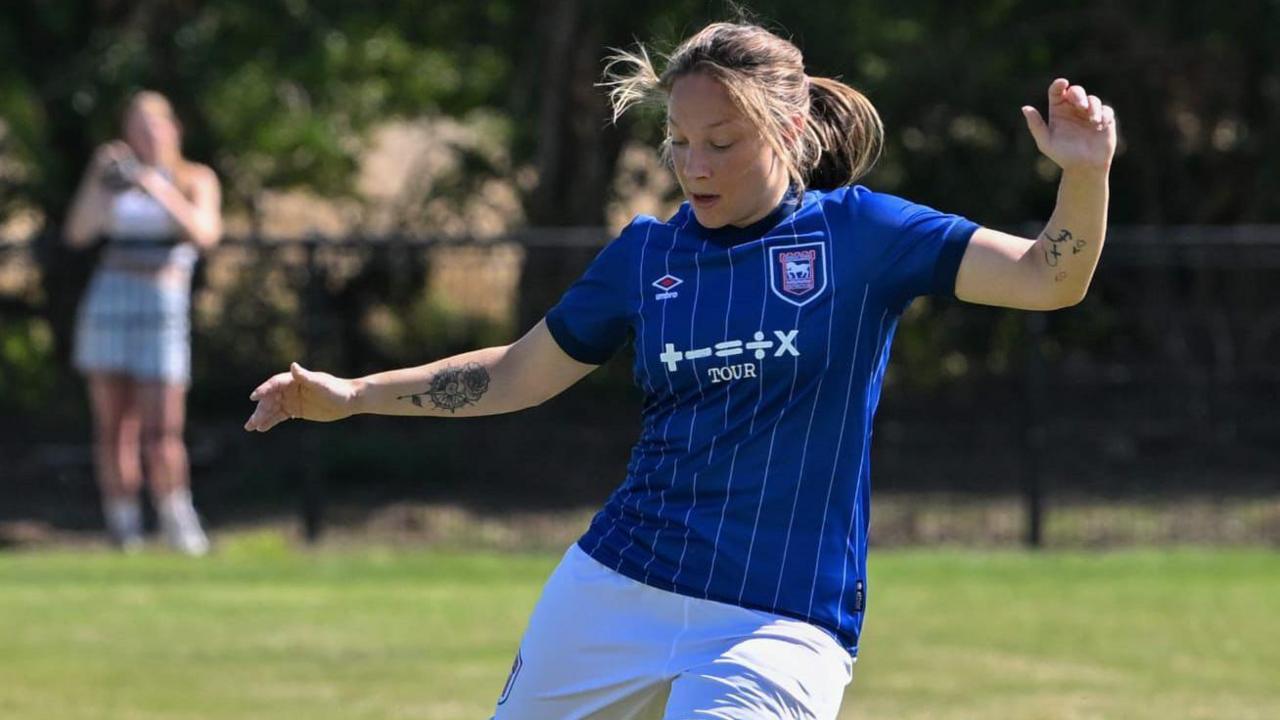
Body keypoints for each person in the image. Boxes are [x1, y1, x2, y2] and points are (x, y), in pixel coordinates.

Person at [245, 20, 1115, 720]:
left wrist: (1085, 176)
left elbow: (1050, 277)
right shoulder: (646, 256)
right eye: (679, 141)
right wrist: (353, 395)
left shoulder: (865, 238)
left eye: (722, 143)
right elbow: (514, 374)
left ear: (789, 128)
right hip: (618, 583)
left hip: (781, 618)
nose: (694, 165)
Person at [66, 91, 222, 555]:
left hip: (162, 305)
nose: (144, 137)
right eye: (135, 128)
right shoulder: (113, 180)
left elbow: (204, 233)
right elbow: (78, 233)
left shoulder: (194, 177)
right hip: (110, 300)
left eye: (153, 127)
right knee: (114, 427)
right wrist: (99, 177)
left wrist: (156, 185)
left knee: (162, 429)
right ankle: (123, 526)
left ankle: (177, 518)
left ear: (173, 129)